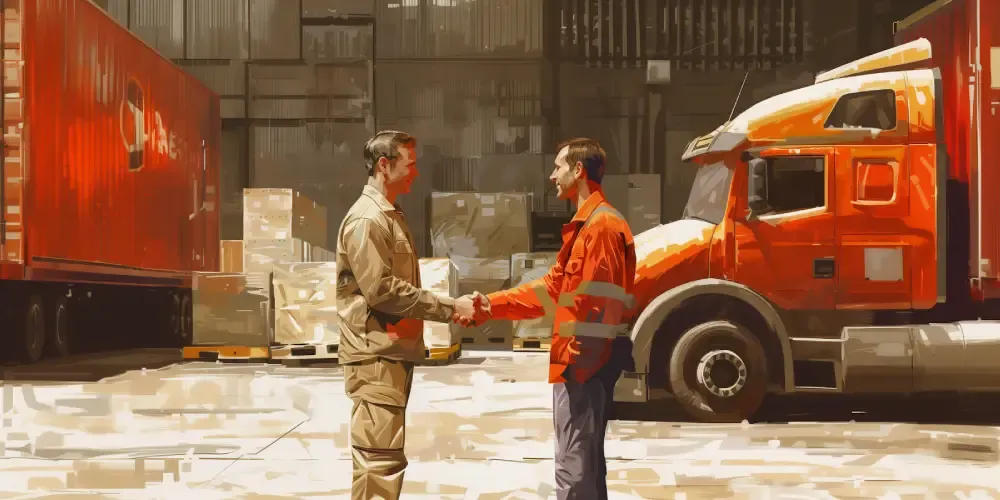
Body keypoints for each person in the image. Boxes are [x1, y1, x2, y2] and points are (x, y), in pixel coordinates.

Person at [457, 138, 637, 500]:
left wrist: (577, 366)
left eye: (558, 167)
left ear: (578, 170)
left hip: (583, 367)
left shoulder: (601, 227)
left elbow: (599, 305)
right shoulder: (588, 225)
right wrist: (490, 305)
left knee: (575, 469)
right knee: (582, 464)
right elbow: (552, 289)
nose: (552, 175)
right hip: (580, 364)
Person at [336, 130, 483, 500]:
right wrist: (452, 307)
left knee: (385, 457)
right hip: (375, 355)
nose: (415, 173)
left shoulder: (388, 215)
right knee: (378, 461)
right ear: (384, 166)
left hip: (389, 352)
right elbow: (381, 290)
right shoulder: (368, 220)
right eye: (410, 164)